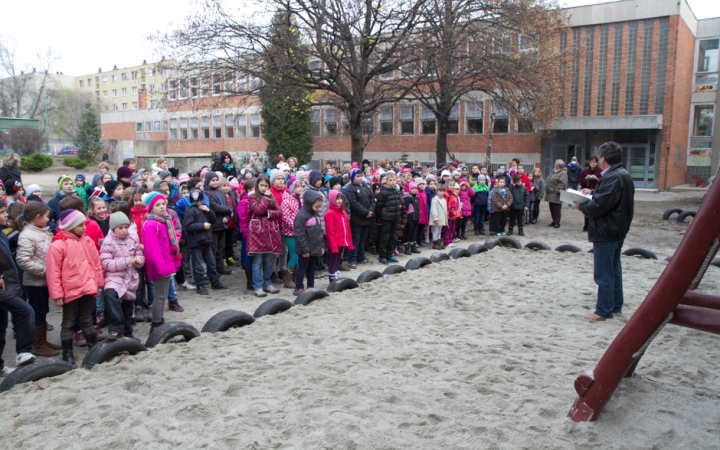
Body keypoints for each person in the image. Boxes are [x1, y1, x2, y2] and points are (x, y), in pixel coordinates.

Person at [575, 142, 635, 321]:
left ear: (603, 158)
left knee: (604, 273)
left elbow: (598, 207)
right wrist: (592, 194)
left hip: (606, 230)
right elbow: (609, 200)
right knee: (614, 268)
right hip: (617, 229)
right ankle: (615, 305)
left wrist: (581, 205)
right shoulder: (622, 174)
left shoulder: (612, 177)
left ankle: (603, 310)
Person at [47, 210, 104, 367]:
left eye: (84, 224)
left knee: (87, 318)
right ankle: (67, 352)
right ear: (70, 226)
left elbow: (96, 263)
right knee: (69, 321)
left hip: (87, 286)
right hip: (70, 289)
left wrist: (98, 283)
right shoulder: (59, 245)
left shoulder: (87, 241)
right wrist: (57, 294)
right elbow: (53, 272)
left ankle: (93, 348)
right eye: (79, 225)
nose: (84, 228)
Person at [16, 201, 60, 357]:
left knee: (43, 310)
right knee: (38, 312)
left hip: (44, 281)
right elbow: (23, 260)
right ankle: (37, 344)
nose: (48, 219)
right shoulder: (27, 235)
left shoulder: (42, 231)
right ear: (37, 216)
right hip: (35, 282)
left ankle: (43, 340)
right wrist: (45, 271)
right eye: (46, 216)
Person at [0, 200, 37, 375]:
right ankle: (23, 351)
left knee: (1, 325)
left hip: (9, 283)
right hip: (4, 286)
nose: (5, 215)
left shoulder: (3, 233)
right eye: (1, 212)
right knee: (25, 311)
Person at [142, 192, 182, 333]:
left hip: (166, 263)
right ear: (151, 208)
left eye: (163, 204)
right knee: (159, 296)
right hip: (160, 266)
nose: (162, 207)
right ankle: (156, 323)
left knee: (162, 294)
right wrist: (162, 268)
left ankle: (160, 319)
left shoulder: (164, 221)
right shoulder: (151, 225)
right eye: (157, 205)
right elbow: (153, 250)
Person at [101, 212, 145, 341]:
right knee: (111, 296)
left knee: (127, 306)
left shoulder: (133, 239)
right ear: (113, 228)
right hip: (114, 277)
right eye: (120, 228)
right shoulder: (108, 242)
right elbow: (106, 263)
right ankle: (115, 329)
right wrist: (124, 262)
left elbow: (141, 257)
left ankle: (128, 333)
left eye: (126, 227)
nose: (124, 230)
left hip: (130, 278)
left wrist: (139, 260)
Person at [182, 188, 227, 295]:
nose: (198, 203)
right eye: (196, 201)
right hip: (196, 241)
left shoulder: (203, 209)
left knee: (211, 263)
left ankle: (215, 282)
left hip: (206, 240)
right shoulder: (190, 210)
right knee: (198, 266)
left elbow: (213, 219)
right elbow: (187, 226)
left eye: (200, 200)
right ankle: (200, 286)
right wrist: (202, 226)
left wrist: (209, 210)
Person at [247, 175, 282, 297]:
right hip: (258, 233)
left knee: (268, 260)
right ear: (257, 185)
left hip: (270, 233)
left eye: (266, 186)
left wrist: (268, 213)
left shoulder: (271, 197)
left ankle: (268, 283)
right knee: (257, 261)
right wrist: (266, 198)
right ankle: (258, 286)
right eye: (261, 185)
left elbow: (278, 212)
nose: (264, 188)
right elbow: (258, 210)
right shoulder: (251, 197)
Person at [293, 190, 324, 296]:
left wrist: (322, 246)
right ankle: (298, 287)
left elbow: (320, 232)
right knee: (302, 267)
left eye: (319, 207)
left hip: (315, 247)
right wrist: (304, 249)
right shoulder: (301, 216)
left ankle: (311, 286)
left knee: (312, 267)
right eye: (316, 207)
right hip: (305, 248)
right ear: (309, 204)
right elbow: (299, 234)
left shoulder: (316, 215)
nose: (318, 209)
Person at [344, 168, 375, 268]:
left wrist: (370, 210)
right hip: (357, 218)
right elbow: (354, 203)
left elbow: (373, 199)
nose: (360, 178)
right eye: (357, 176)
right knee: (355, 239)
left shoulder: (366, 187)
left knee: (363, 239)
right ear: (353, 177)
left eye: (361, 176)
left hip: (367, 218)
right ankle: (352, 259)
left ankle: (361, 257)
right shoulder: (350, 189)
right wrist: (365, 212)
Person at [204, 172, 233, 276]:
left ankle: (220, 267)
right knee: (213, 248)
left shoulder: (220, 192)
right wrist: (228, 210)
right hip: (214, 224)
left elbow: (227, 203)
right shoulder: (206, 193)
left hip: (222, 224)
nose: (215, 182)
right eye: (213, 180)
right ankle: (212, 270)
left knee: (221, 248)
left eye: (216, 180)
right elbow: (214, 206)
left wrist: (227, 216)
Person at [324, 191, 353, 282]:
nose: (339, 201)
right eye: (337, 198)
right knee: (333, 259)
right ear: (332, 199)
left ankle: (335, 273)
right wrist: (333, 245)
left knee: (338, 259)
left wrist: (348, 240)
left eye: (340, 198)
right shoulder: (330, 213)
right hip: (335, 242)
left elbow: (347, 227)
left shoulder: (342, 212)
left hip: (342, 240)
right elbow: (330, 231)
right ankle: (332, 277)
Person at [374, 173, 401, 264]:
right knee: (385, 237)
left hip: (395, 217)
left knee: (392, 237)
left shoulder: (396, 191)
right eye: (390, 180)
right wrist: (379, 218)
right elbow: (379, 207)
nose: (393, 182)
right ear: (386, 181)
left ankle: (389, 254)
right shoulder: (383, 193)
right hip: (386, 218)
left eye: (394, 180)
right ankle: (382, 256)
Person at [280, 179, 302, 289]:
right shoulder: (286, 201)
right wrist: (296, 227)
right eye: (297, 186)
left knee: (297, 255)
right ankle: (288, 279)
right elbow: (286, 217)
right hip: (290, 232)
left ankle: (294, 277)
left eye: (300, 186)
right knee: (294, 255)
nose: (300, 188)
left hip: (298, 231)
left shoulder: (298, 200)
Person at [579, 156, 603, 232]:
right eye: (591, 162)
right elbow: (581, 181)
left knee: (595, 209)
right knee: (587, 209)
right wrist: (586, 179)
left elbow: (603, 182)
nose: (592, 164)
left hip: (596, 192)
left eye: (594, 162)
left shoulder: (600, 171)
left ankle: (594, 226)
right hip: (586, 192)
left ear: (597, 163)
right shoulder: (585, 171)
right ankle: (586, 226)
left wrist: (596, 179)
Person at [545, 160, 568, 228]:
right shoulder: (554, 171)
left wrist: (556, 190)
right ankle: (554, 220)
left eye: (556, 164)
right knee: (551, 207)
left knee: (556, 208)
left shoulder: (563, 173)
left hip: (556, 194)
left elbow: (562, 184)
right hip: (550, 193)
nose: (554, 165)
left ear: (558, 165)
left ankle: (557, 222)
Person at [429, 184, 448, 250]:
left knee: (439, 231)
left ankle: (439, 242)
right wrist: (435, 218)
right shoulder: (434, 200)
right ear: (437, 191)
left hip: (442, 218)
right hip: (437, 218)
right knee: (435, 231)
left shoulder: (444, 199)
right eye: (440, 191)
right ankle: (435, 243)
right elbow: (434, 210)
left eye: (443, 191)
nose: (442, 192)